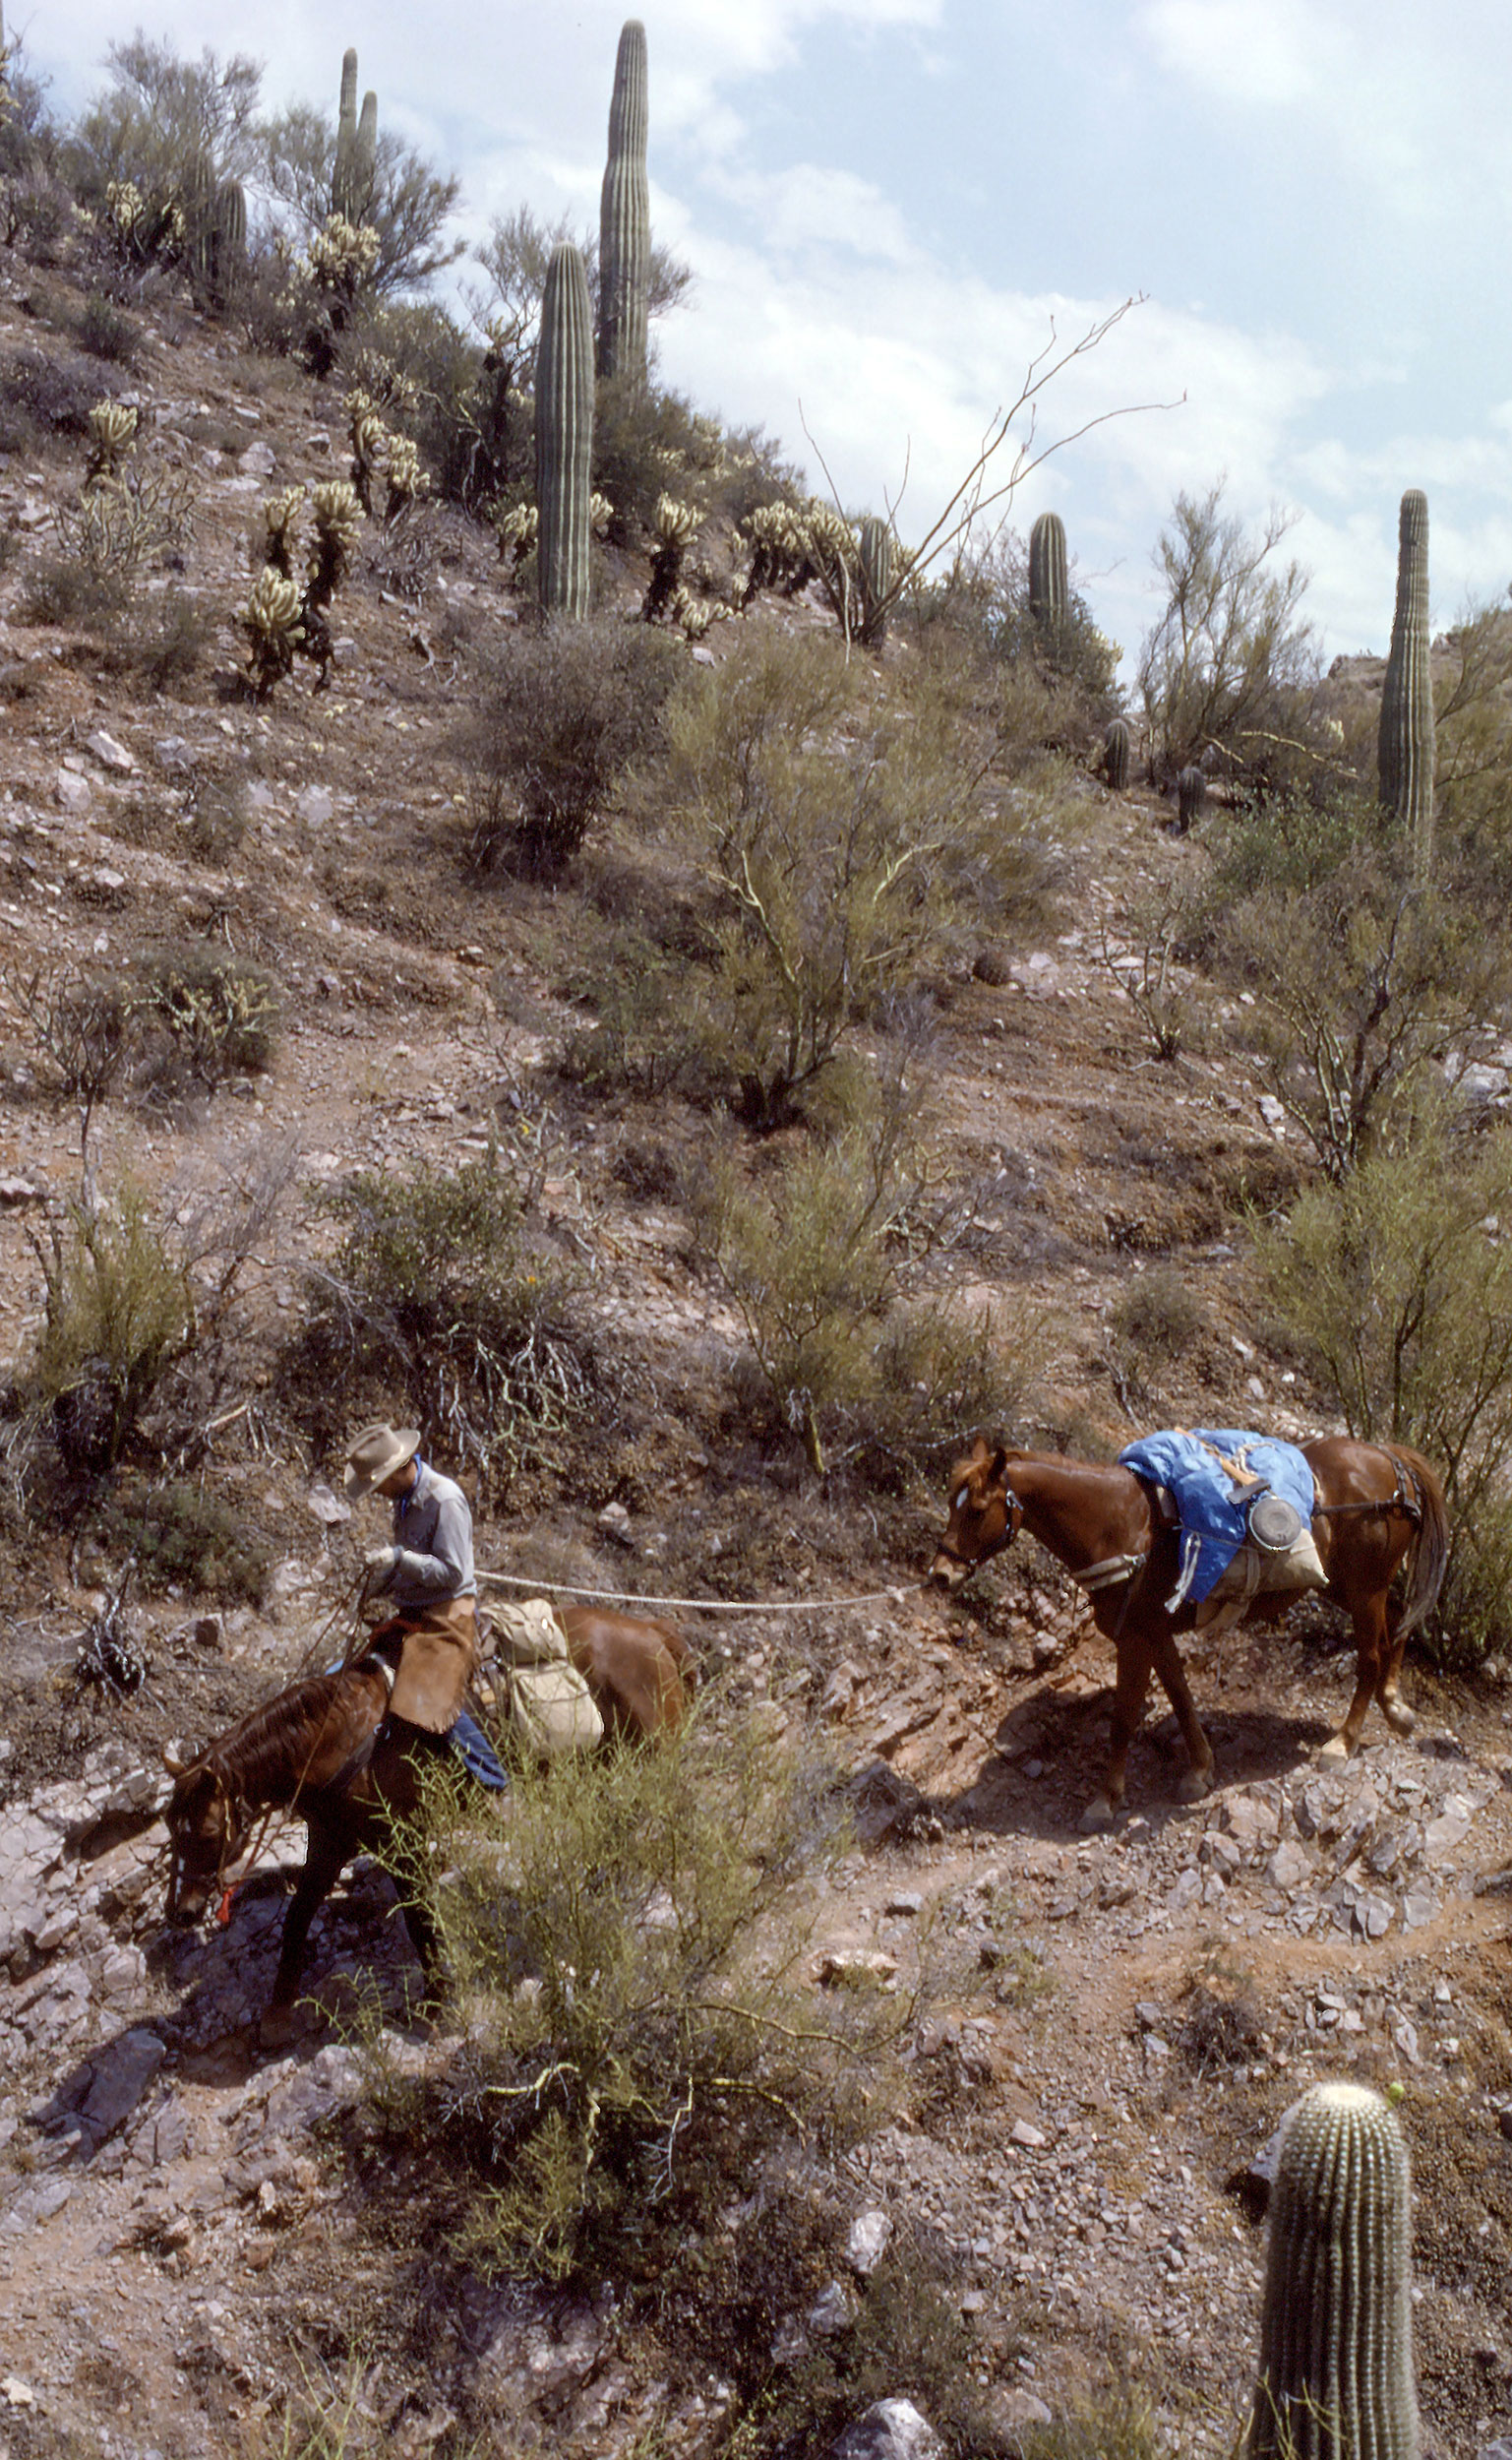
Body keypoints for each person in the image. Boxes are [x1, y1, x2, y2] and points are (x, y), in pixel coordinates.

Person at [342, 1420, 507, 1789]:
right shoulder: (402, 1501)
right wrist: (379, 1582)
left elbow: (452, 1572)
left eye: (378, 1483)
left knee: (428, 1698)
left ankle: (495, 1780)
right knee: (347, 1672)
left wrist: (400, 1558)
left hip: (450, 1612)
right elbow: (411, 1568)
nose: (377, 1492)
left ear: (400, 1469)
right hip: (413, 1613)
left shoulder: (444, 1499)